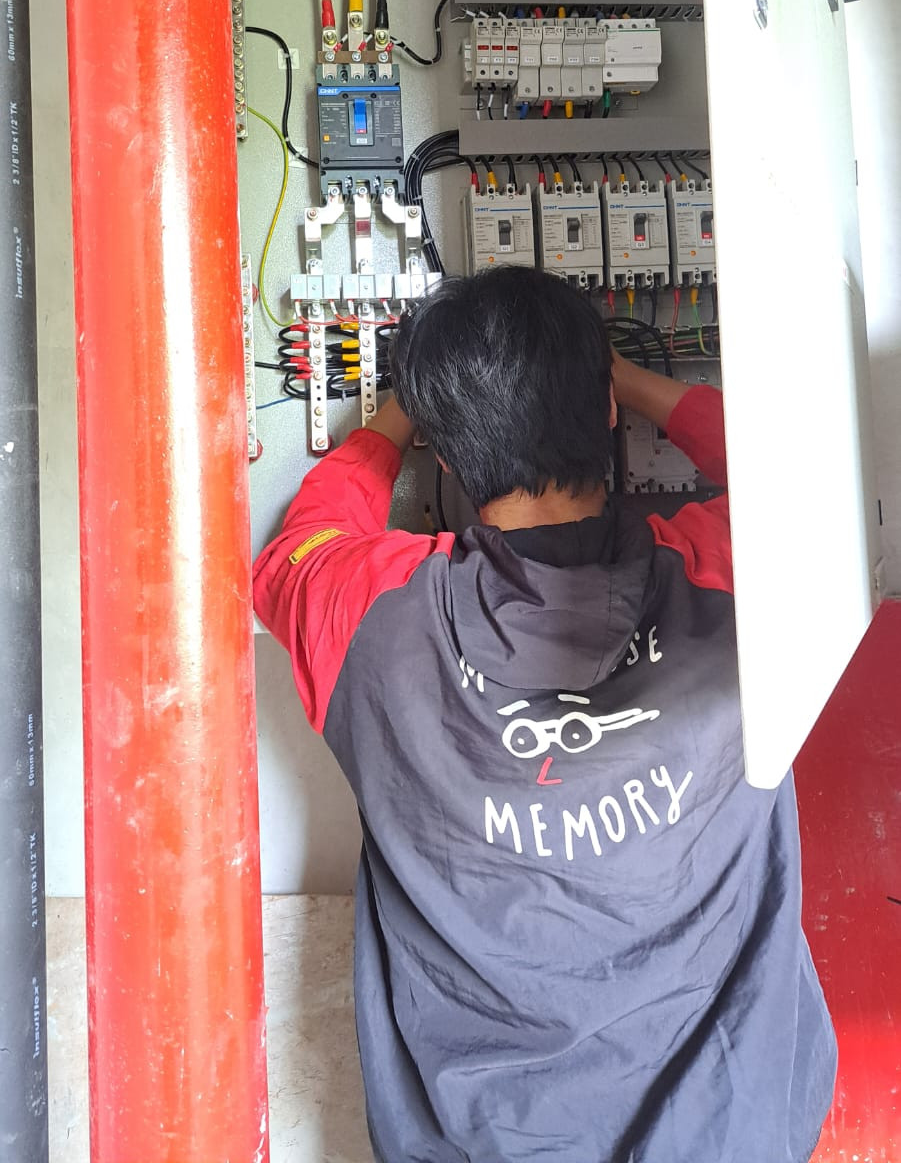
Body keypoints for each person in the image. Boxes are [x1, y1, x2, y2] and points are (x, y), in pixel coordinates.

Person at [253, 266, 835, 1163]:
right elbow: (810, 479)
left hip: (476, 1140)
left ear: (447, 458)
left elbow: (303, 543)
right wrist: (625, 379)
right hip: (733, 1127)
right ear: (606, 413)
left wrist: (408, 409)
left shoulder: (370, 614)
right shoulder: (728, 572)